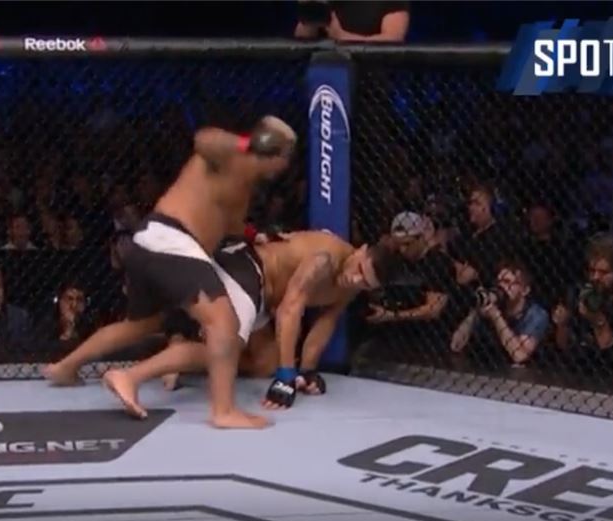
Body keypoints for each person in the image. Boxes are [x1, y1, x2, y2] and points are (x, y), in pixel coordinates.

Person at [43, 116, 297, 430]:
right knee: (223, 321)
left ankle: (65, 368)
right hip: (173, 241)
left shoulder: (245, 183)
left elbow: (230, 225)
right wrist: (247, 143)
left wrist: (255, 236)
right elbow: (204, 139)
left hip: (153, 242)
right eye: (285, 155)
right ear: (273, 152)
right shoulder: (229, 154)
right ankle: (223, 411)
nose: (286, 166)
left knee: (141, 325)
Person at [99, 230, 389, 419]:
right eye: (359, 270)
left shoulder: (351, 287)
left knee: (264, 363)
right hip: (247, 271)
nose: (356, 279)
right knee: (226, 350)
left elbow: (326, 323)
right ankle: (130, 377)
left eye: (365, 283)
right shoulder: (324, 259)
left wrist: (308, 370)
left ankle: (187, 349)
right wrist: (287, 375)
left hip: (261, 300)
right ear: (360, 250)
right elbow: (289, 310)